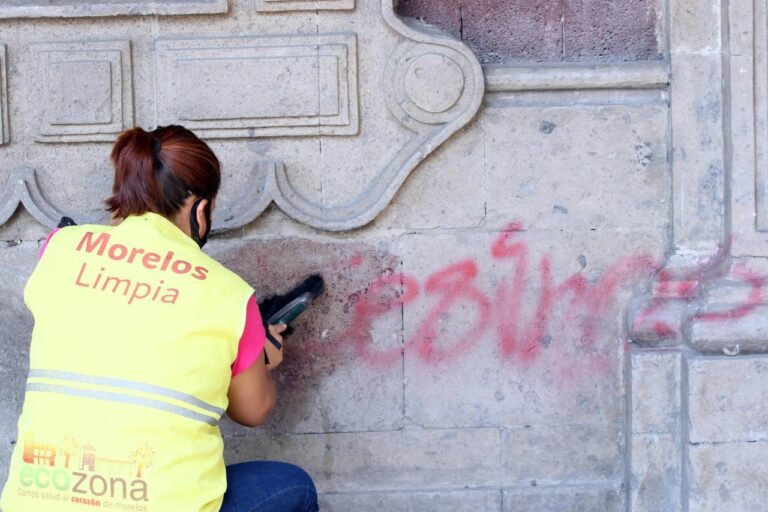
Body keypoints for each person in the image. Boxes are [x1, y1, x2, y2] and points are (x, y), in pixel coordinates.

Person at [0, 125, 319, 512]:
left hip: (35, 500)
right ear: (200, 209)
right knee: (292, 487)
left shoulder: (60, 249)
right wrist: (263, 357)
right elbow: (252, 410)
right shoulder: (228, 294)